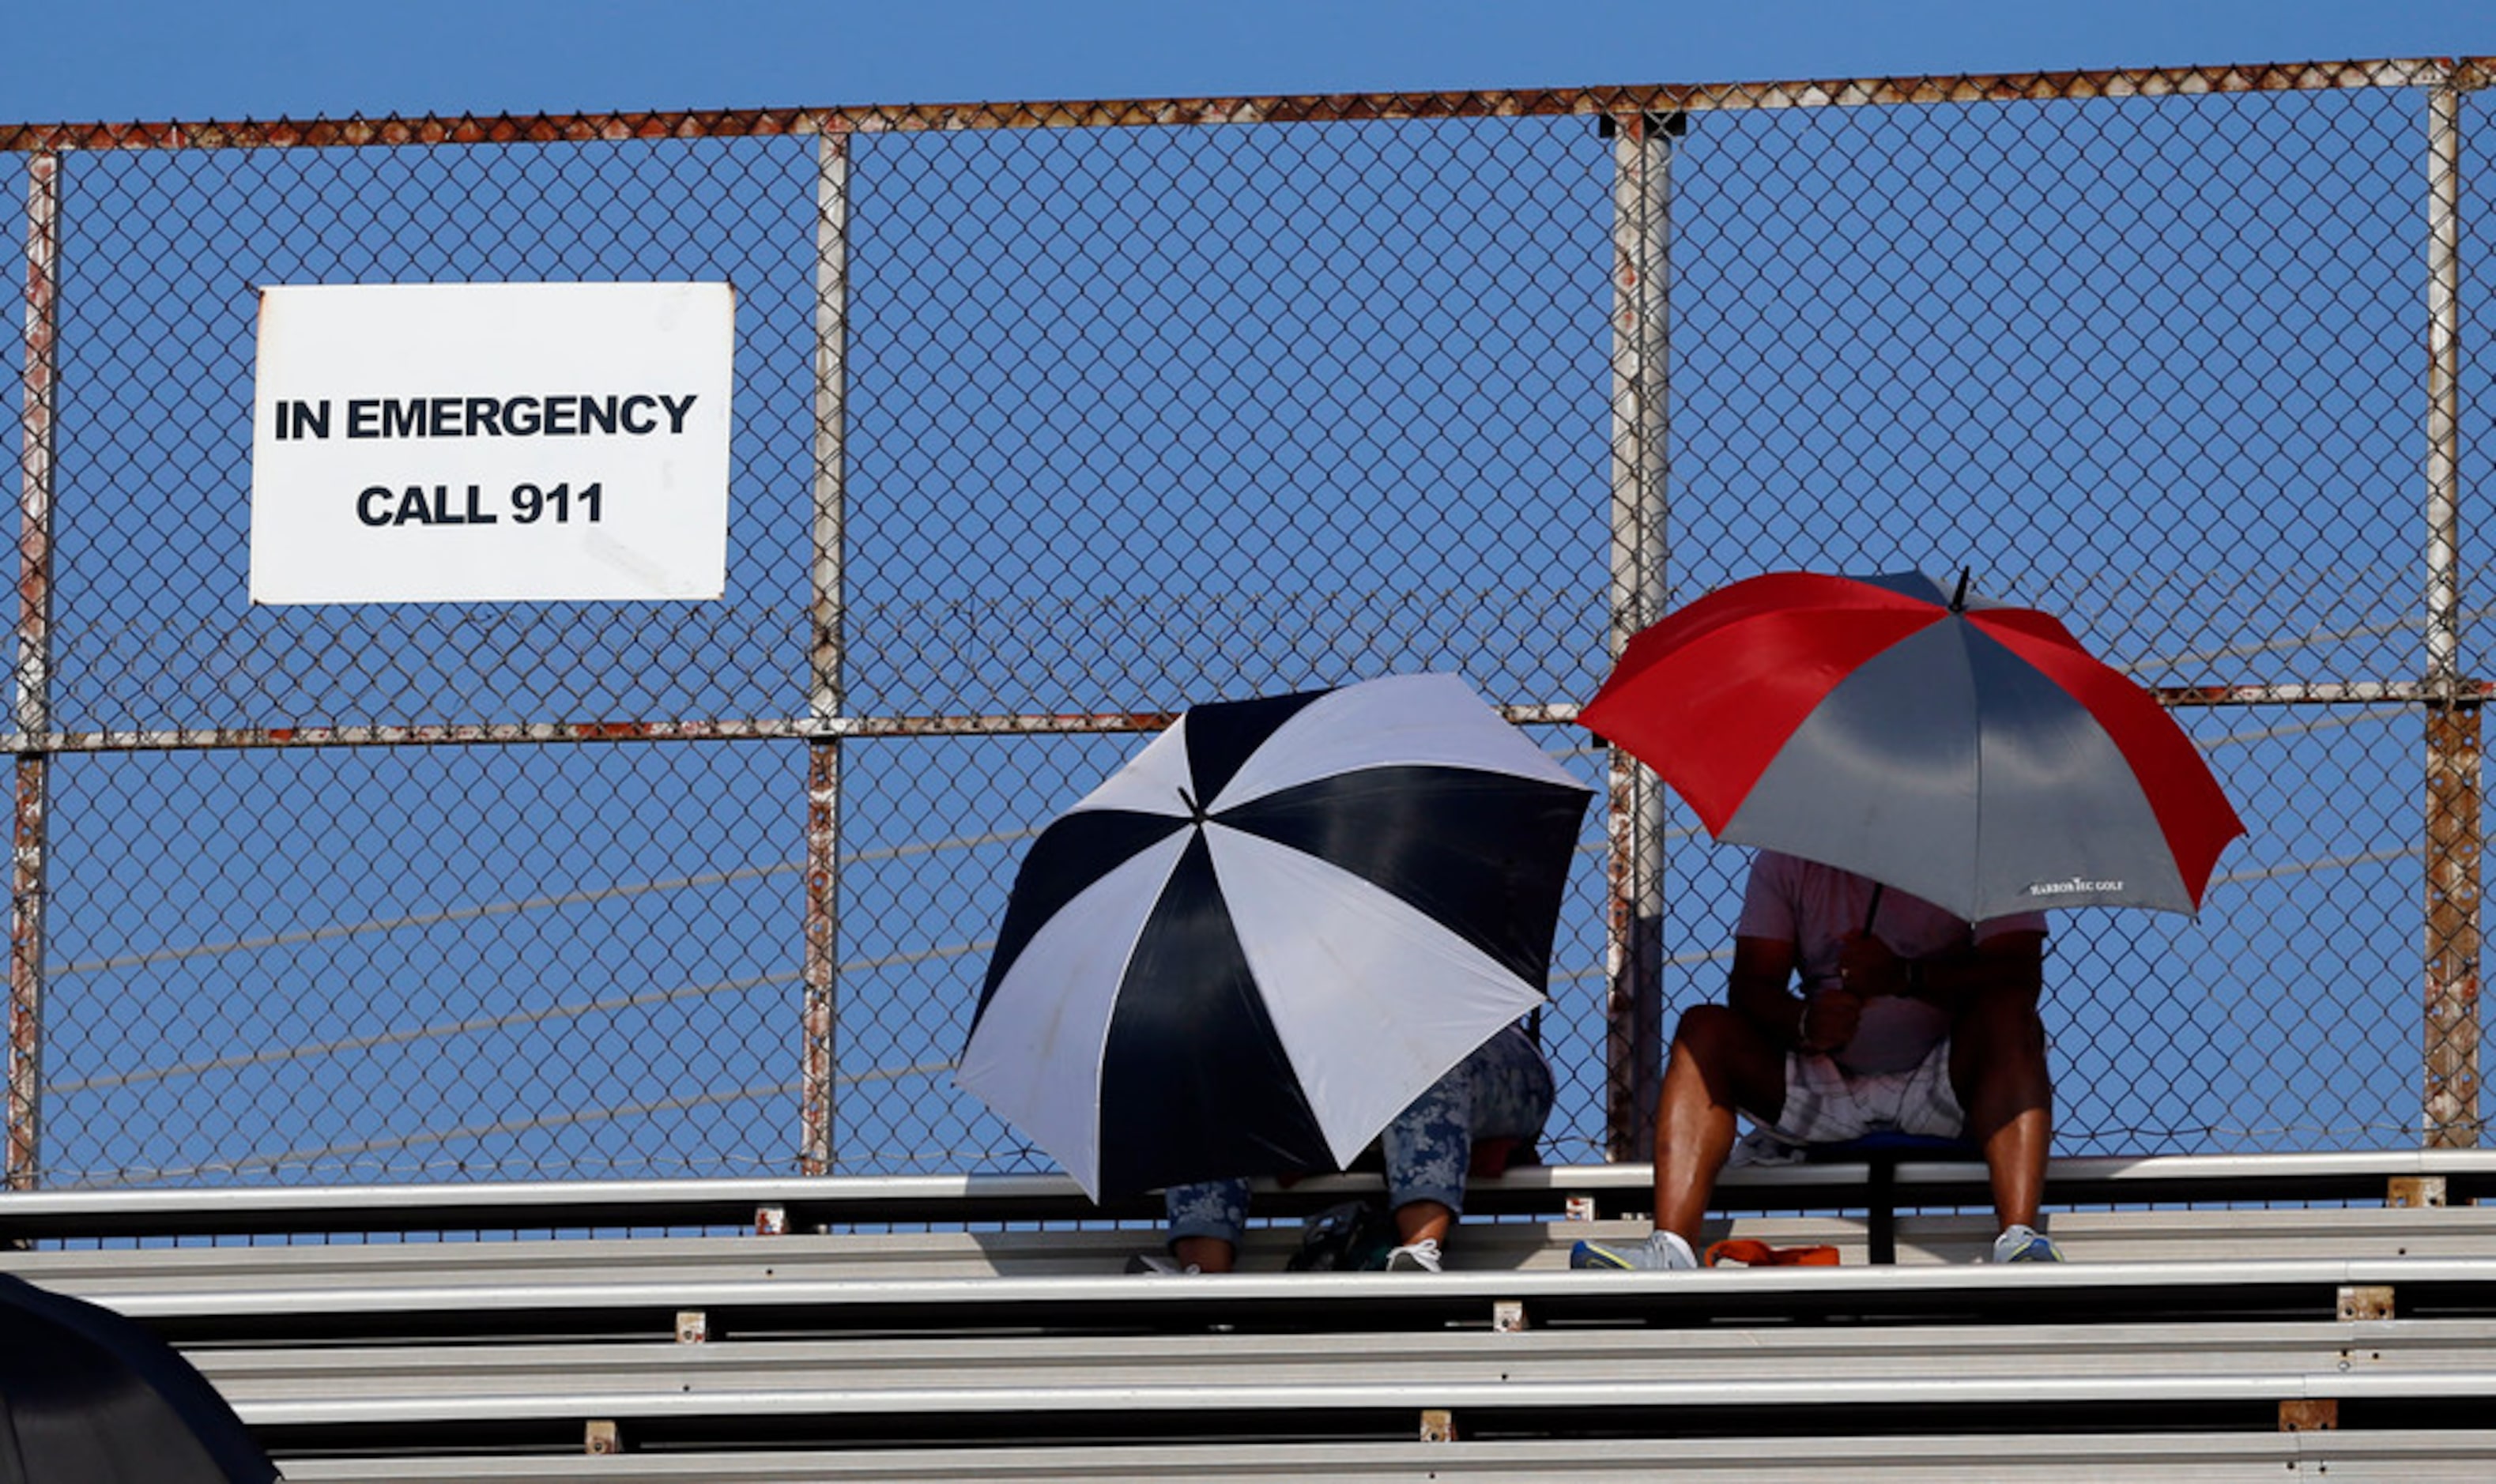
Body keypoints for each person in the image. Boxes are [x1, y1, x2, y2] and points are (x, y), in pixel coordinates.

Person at [1573, 849, 2061, 1271]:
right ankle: (1670, 1248)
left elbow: (2019, 977)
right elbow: (1750, 990)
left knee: (2010, 1016)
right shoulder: (1787, 861)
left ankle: (2017, 1238)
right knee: (1704, 1029)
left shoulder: (1986, 852)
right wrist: (1806, 1022)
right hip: (1822, 1079)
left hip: (1943, 1078)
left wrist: (1907, 977)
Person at [1137, 1020, 1555, 1275]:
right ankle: (1203, 1274)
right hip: (1329, 1072)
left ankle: (1419, 1251)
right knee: (1204, 1077)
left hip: (1462, 1047)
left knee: (1424, 1059)